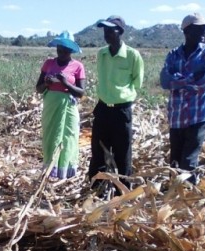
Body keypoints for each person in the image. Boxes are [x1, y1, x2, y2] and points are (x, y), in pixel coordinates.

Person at [160, 13, 205, 184]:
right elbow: (164, 81)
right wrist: (193, 78)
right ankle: (173, 199)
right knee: (175, 163)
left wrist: (178, 80)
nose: (204, 32)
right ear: (187, 31)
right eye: (199, 29)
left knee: (188, 163)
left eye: (204, 29)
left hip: (198, 116)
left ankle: (187, 200)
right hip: (177, 116)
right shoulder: (173, 54)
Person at [88, 15, 144, 193]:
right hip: (103, 108)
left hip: (121, 111)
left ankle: (124, 193)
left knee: (122, 153)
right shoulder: (101, 54)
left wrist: (121, 96)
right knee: (98, 151)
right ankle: (96, 190)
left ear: (119, 31)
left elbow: (137, 82)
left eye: (110, 30)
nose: (106, 34)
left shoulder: (133, 55)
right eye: (105, 30)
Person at [36, 31, 86, 179]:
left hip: (68, 107)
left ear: (71, 50)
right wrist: (46, 83)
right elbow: (38, 89)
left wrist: (65, 83)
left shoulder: (78, 66)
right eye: (59, 49)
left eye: (65, 50)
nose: (61, 52)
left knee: (68, 137)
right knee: (51, 136)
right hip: (51, 105)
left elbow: (81, 92)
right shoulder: (49, 63)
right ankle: (50, 171)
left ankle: (65, 173)